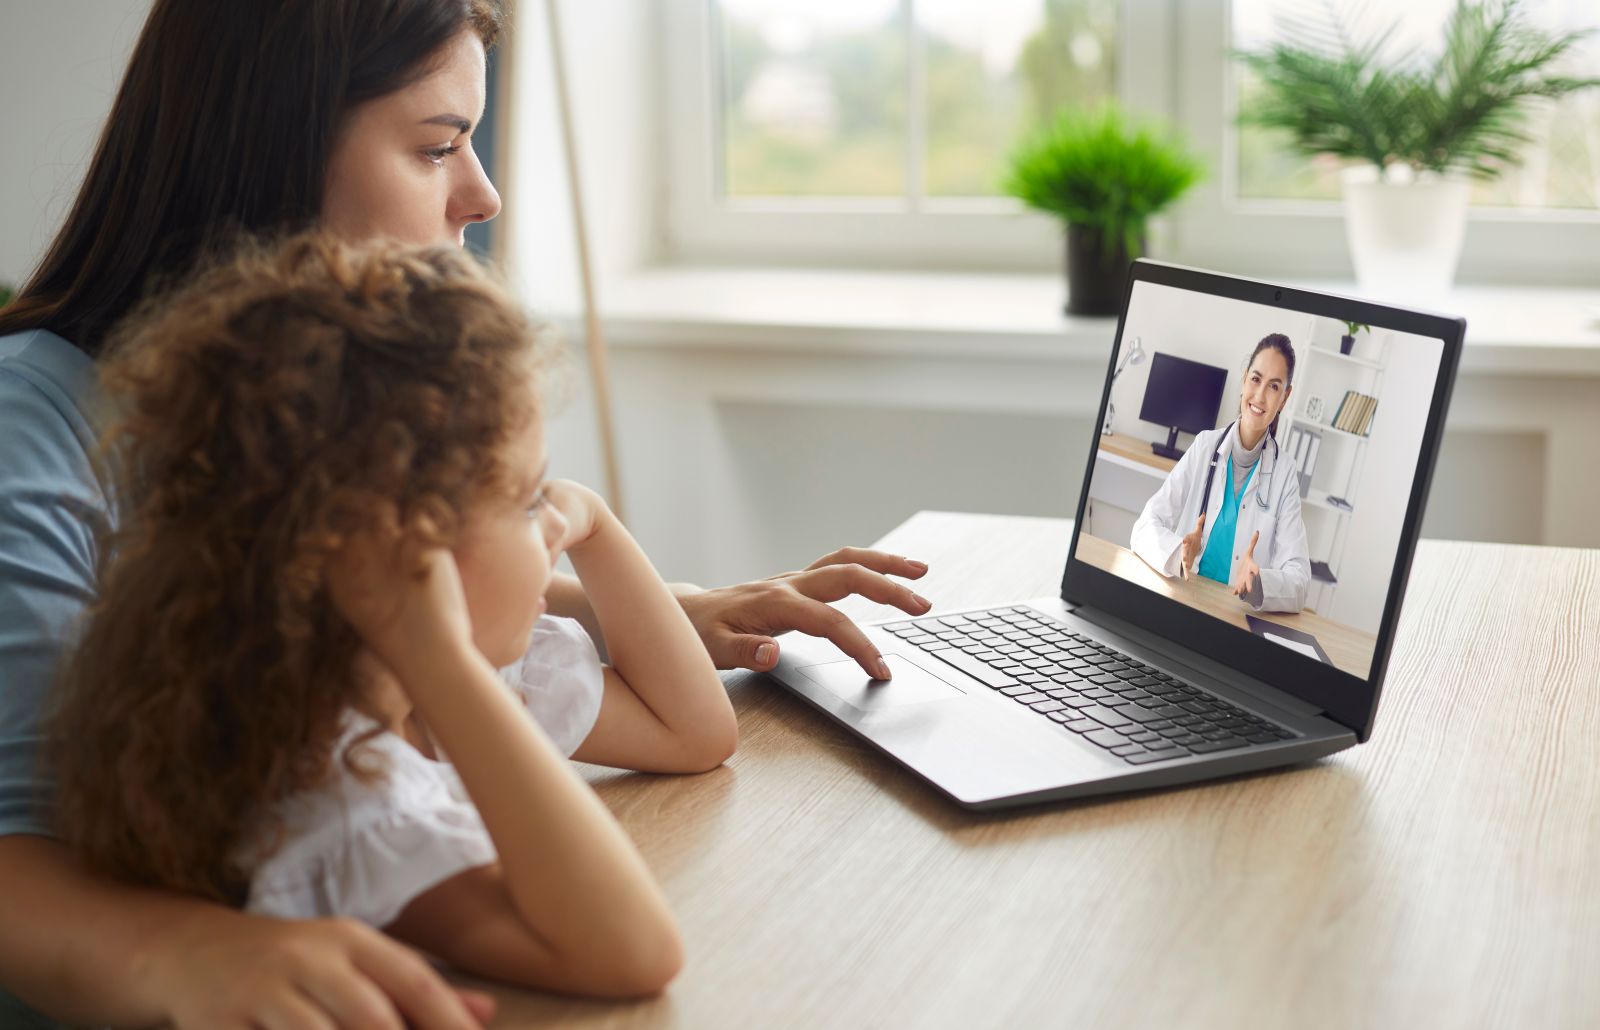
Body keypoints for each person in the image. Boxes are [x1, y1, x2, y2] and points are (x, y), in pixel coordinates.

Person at [0, 1, 929, 1024]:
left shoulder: (328, 436)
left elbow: (351, 585)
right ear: (268, 147)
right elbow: (18, 834)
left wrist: (635, 605)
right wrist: (179, 950)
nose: (483, 196)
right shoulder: (26, 431)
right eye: (438, 146)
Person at [52, 230, 726, 998]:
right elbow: (636, 953)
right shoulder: (332, 793)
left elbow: (696, 733)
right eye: (527, 499)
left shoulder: (472, 682)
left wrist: (596, 524)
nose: (554, 525)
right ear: (402, 554)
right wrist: (442, 660)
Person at [1129, 333, 1311, 614]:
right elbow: (1143, 528)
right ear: (1244, 379)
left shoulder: (1284, 474)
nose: (1260, 395)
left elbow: (1300, 582)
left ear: (1284, 398)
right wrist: (1179, 552)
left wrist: (1259, 582)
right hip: (1183, 602)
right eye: (1256, 379)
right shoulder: (1205, 446)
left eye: (1274, 386)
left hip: (1234, 616)